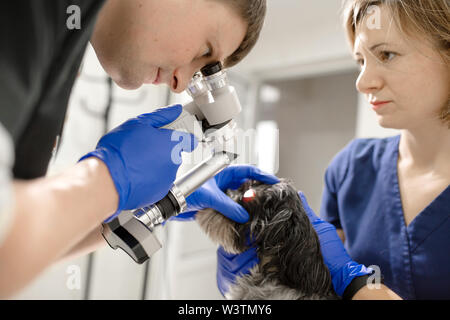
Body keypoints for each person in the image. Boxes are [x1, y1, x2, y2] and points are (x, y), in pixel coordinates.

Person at [0, 0, 268, 298]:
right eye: (206, 51)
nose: (180, 86)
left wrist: (153, 201)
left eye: (205, 71)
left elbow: (15, 247)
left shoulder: (66, 32)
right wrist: (108, 180)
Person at [208, 0, 449, 300]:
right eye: (361, 60)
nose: (363, 82)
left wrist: (361, 288)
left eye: (387, 54)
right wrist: (267, 282)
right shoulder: (351, 168)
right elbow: (323, 288)